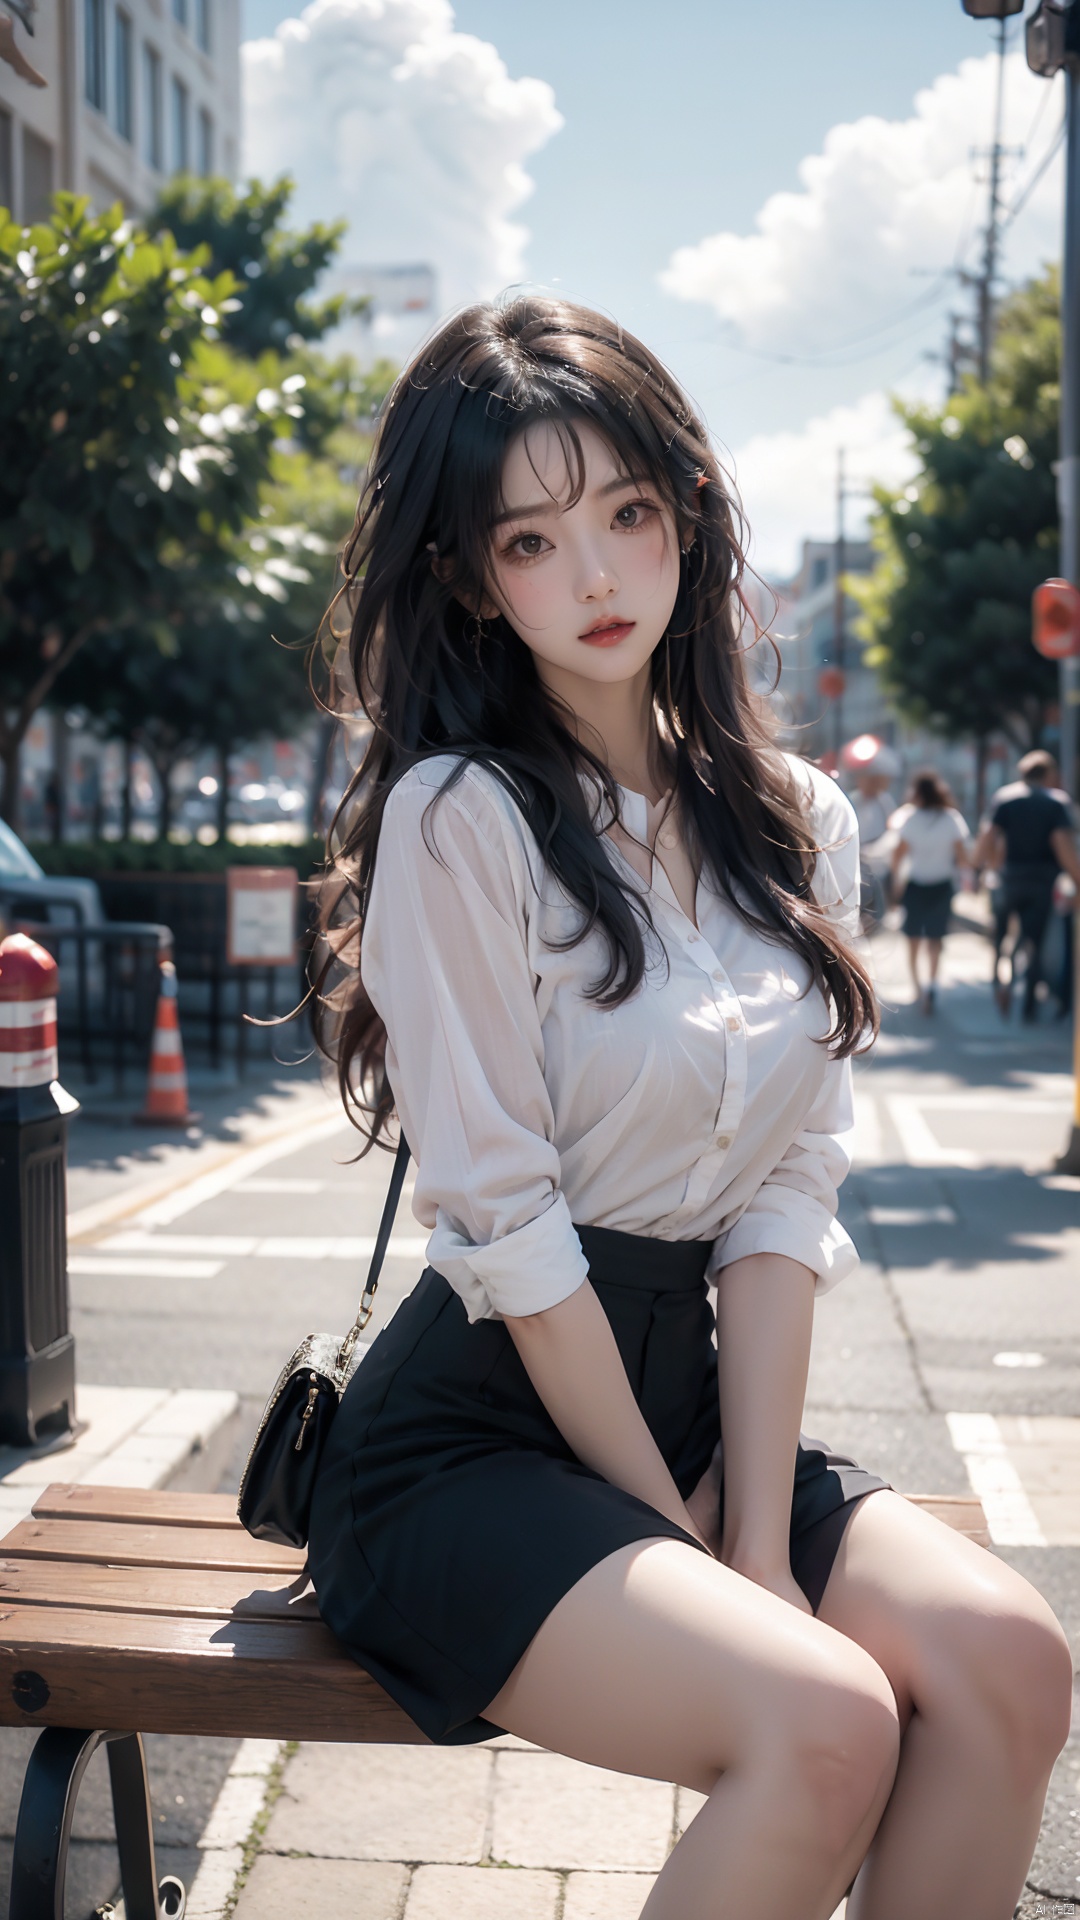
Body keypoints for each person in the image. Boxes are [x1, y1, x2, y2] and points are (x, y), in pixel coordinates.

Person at [306, 298, 1070, 1920]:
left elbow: (787, 1193)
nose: (595, 577)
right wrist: (679, 1535)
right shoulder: (463, 818)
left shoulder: (800, 821)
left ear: (689, 515)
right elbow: (506, 1228)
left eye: (629, 515)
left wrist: (761, 1531)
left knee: (1012, 1662)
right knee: (824, 1716)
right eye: (531, 538)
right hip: (474, 1439)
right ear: (464, 573)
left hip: (691, 1403)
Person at [974, 749, 1080, 1021]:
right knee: (1034, 943)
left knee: (1001, 939)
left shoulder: (1004, 798)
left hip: (1008, 879)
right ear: (1049, 774)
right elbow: (1062, 845)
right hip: (1042, 882)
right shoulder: (1056, 802)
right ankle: (1030, 1006)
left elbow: (988, 838)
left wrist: (978, 869)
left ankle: (1001, 983)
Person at [888, 771, 971, 1013]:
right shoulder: (951, 818)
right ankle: (932, 985)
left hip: (915, 884)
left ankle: (916, 986)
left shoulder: (910, 819)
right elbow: (962, 855)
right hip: (943, 884)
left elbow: (898, 855)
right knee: (936, 939)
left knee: (913, 938)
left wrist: (896, 882)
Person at [848, 744, 901, 932]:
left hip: (879, 856)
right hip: (856, 854)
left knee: (879, 891)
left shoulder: (884, 800)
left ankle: (878, 919)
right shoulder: (852, 799)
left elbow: (892, 827)